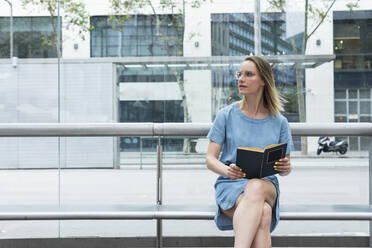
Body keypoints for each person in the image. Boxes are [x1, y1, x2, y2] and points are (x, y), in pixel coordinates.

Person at [206, 56, 294, 248]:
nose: (241, 79)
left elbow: (285, 168)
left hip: (266, 186)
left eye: (248, 74)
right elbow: (210, 159)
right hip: (231, 185)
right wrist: (227, 170)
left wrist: (286, 167)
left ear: (263, 80)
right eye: (240, 74)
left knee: (255, 186)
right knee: (263, 214)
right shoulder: (226, 115)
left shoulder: (280, 122)